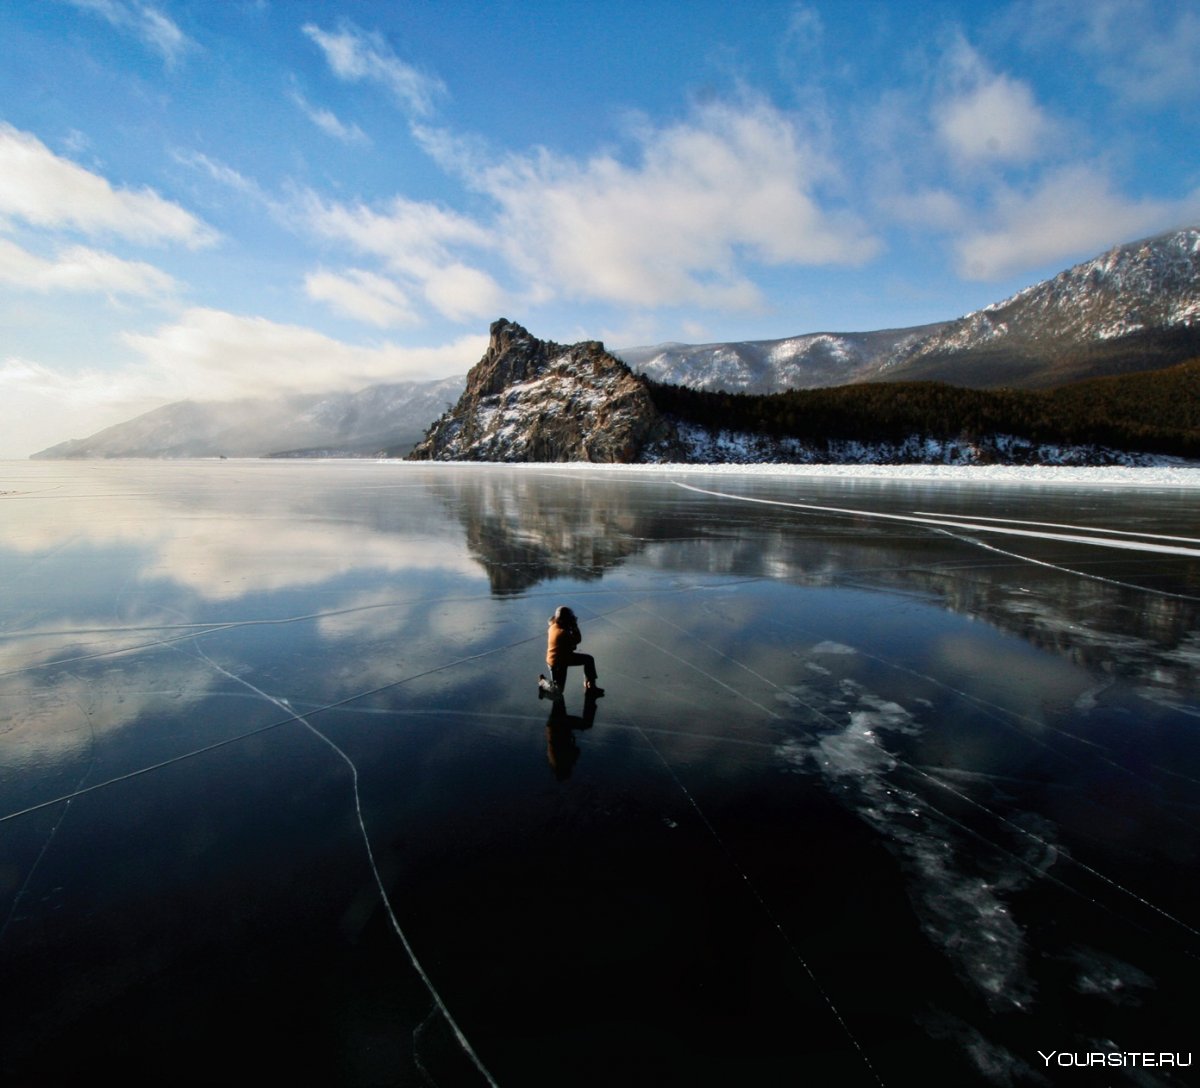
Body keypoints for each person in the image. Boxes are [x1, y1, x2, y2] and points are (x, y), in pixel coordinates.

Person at [544, 605, 604, 697]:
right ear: (565, 620)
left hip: (562, 657)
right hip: (557, 663)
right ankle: (543, 683)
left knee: (588, 659)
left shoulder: (554, 625)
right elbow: (577, 640)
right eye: (570, 618)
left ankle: (590, 686)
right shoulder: (562, 633)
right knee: (558, 691)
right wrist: (575, 626)